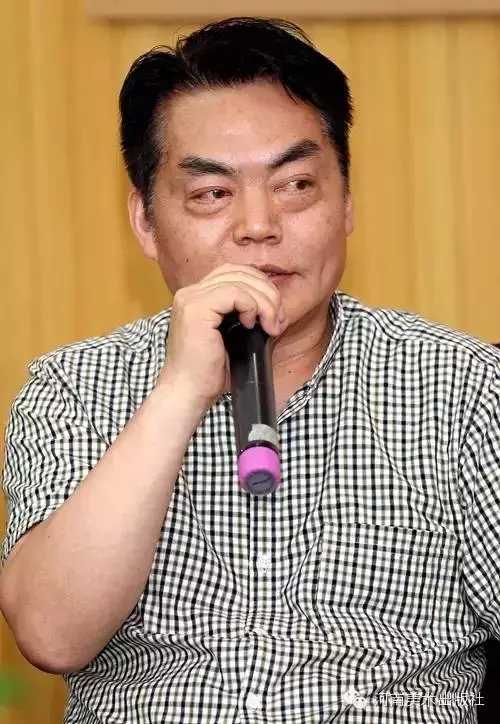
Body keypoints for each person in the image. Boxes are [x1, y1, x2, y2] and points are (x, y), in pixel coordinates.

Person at [1, 16, 499, 724]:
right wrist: (179, 392)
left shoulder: (465, 386)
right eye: (212, 193)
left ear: (346, 202)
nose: (259, 225)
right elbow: (52, 635)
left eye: (296, 184)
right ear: (145, 221)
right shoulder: (74, 389)